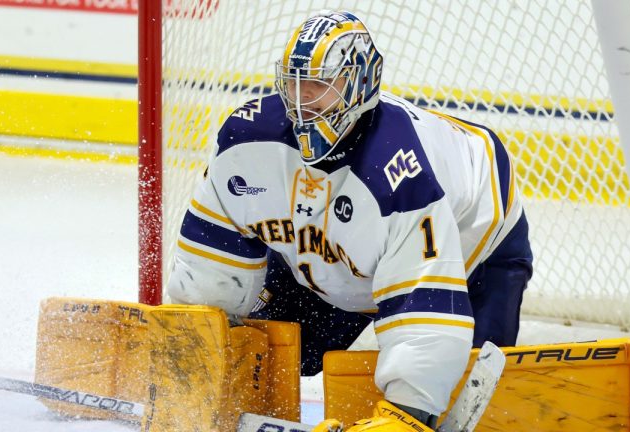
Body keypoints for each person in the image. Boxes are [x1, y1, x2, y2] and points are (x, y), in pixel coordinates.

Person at [166, 10, 533, 431]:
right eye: (294, 83)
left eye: (320, 85)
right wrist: (197, 354)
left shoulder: (400, 176)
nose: (303, 102)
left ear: (359, 84)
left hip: (481, 244)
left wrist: (406, 414)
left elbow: (427, 327)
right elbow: (212, 268)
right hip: (353, 249)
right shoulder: (245, 142)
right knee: (272, 357)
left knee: (463, 404)